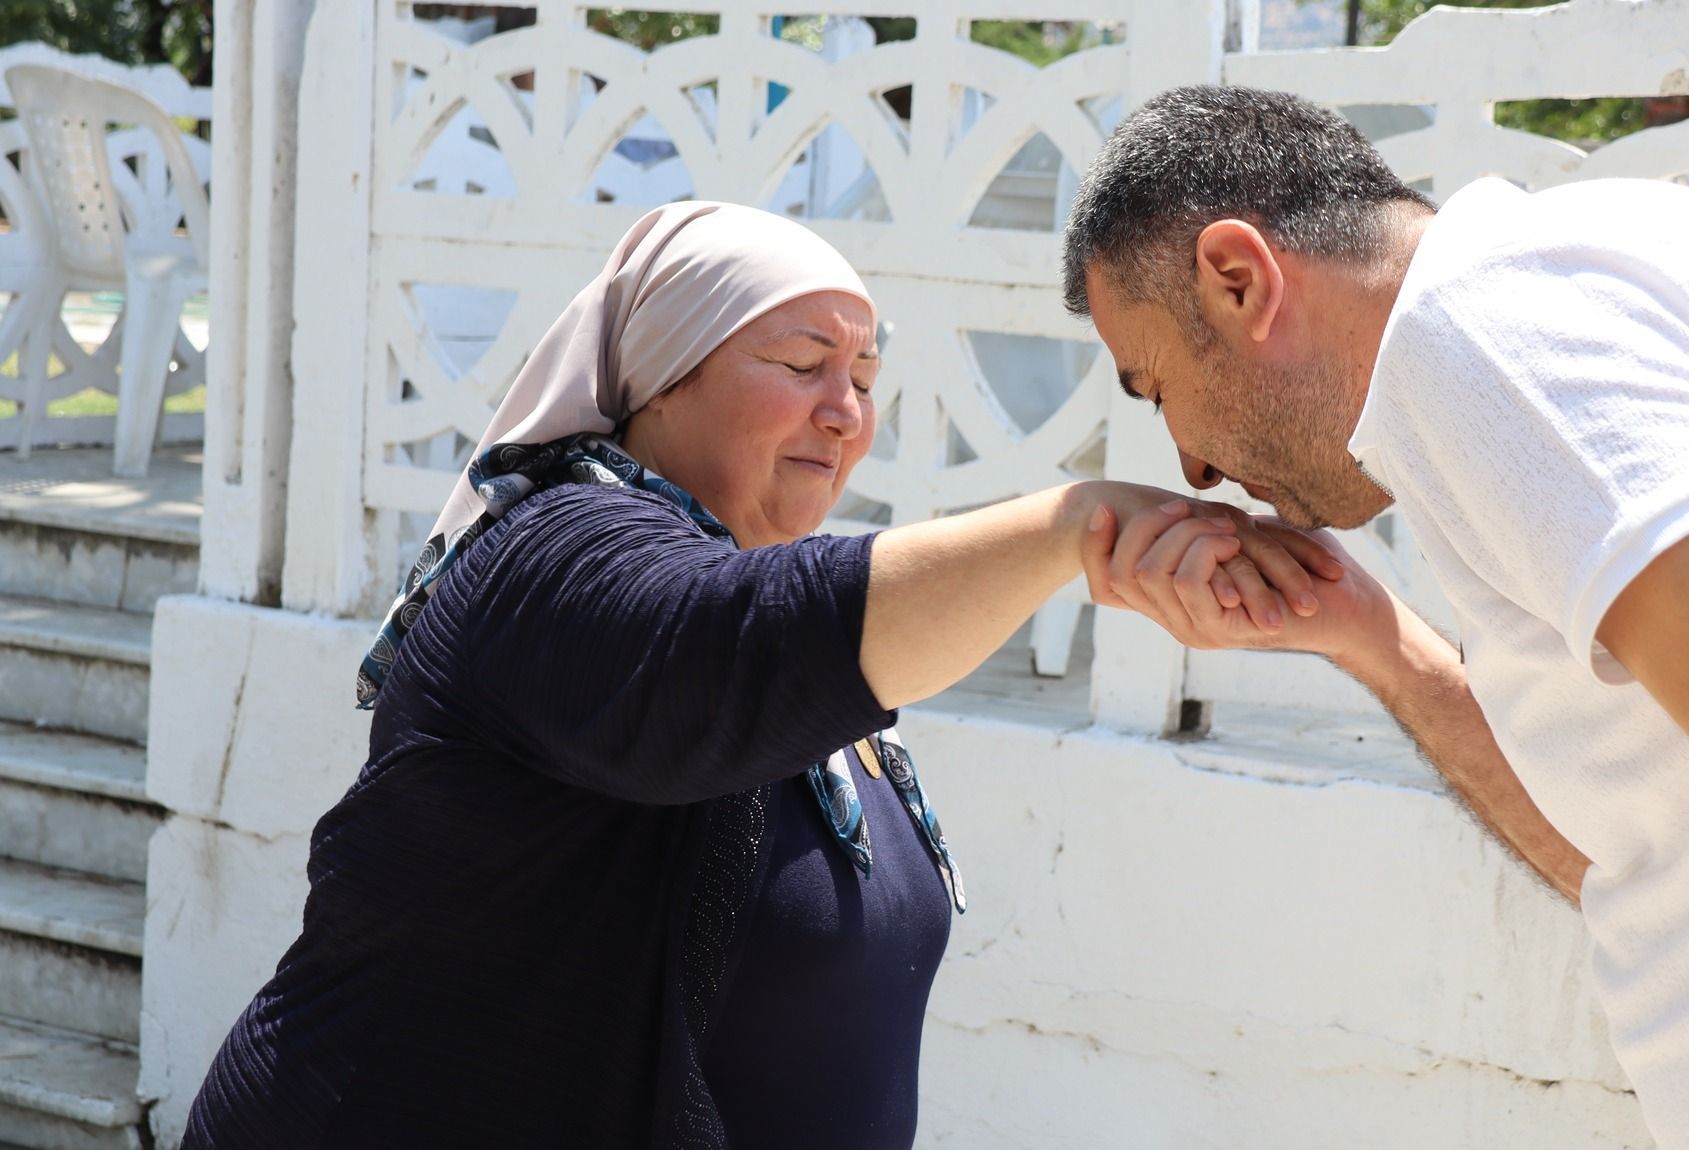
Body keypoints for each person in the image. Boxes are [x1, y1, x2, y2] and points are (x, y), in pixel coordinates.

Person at [181, 201, 1328, 1149]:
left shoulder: (751, 594)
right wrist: (1077, 526)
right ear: (662, 377)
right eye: (801, 363)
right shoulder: (552, 556)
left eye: (865, 376)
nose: (846, 410)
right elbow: (735, 653)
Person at [1061, 85, 1689, 1149]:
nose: (1190, 463)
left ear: (1238, 279)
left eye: (1152, 386)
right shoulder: (1502, 321)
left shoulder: (1479, 333)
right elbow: (1632, 858)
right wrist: (1366, 635)